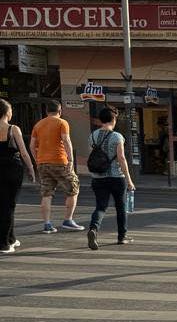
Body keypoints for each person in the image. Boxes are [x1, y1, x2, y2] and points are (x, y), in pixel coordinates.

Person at [30, 101, 83, 234]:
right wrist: (70, 159)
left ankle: (47, 224)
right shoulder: (62, 123)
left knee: (46, 193)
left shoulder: (38, 125)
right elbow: (66, 140)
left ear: (46, 111)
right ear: (60, 111)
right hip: (60, 161)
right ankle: (68, 220)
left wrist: (37, 159)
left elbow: (32, 145)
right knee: (73, 188)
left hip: (42, 163)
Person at [86, 107, 136, 250]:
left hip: (98, 177)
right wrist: (129, 180)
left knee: (101, 207)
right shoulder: (117, 137)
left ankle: (93, 229)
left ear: (101, 120)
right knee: (121, 207)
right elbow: (121, 158)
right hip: (116, 177)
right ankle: (122, 236)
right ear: (113, 119)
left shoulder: (93, 136)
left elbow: (92, 157)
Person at [0, 99, 36, 254]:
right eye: (11, 110)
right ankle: (4, 243)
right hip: (13, 170)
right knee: (9, 206)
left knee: (3, 204)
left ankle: (11, 238)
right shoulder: (13, 129)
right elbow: (24, 152)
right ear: (6, 112)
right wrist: (31, 169)